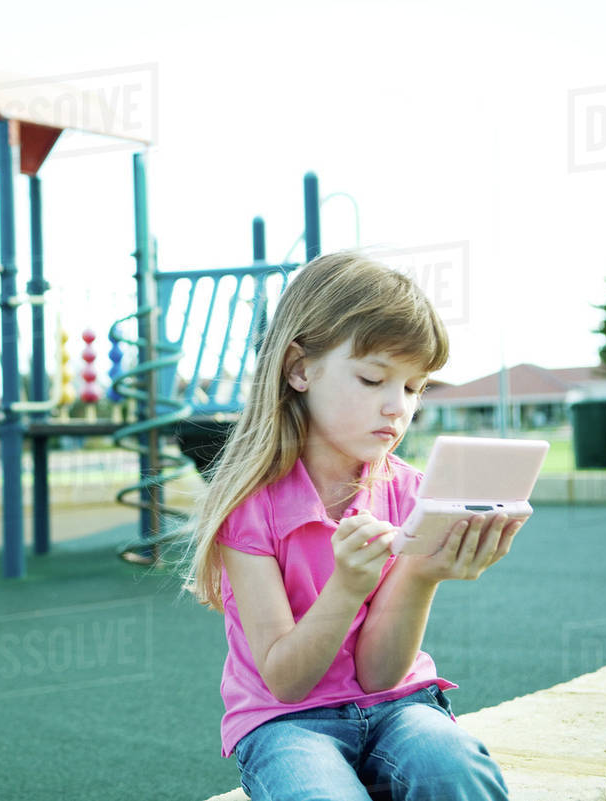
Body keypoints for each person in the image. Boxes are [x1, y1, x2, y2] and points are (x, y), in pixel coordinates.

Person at [182, 251, 519, 800]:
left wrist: (420, 575)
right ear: (298, 369)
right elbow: (287, 681)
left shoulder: (412, 492)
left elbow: (381, 677)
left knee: (451, 762)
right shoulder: (249, 505)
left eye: (413, 388)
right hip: (286, 722)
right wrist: (346, 587)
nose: (396, 408)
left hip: (399, 706)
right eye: (372, 378)